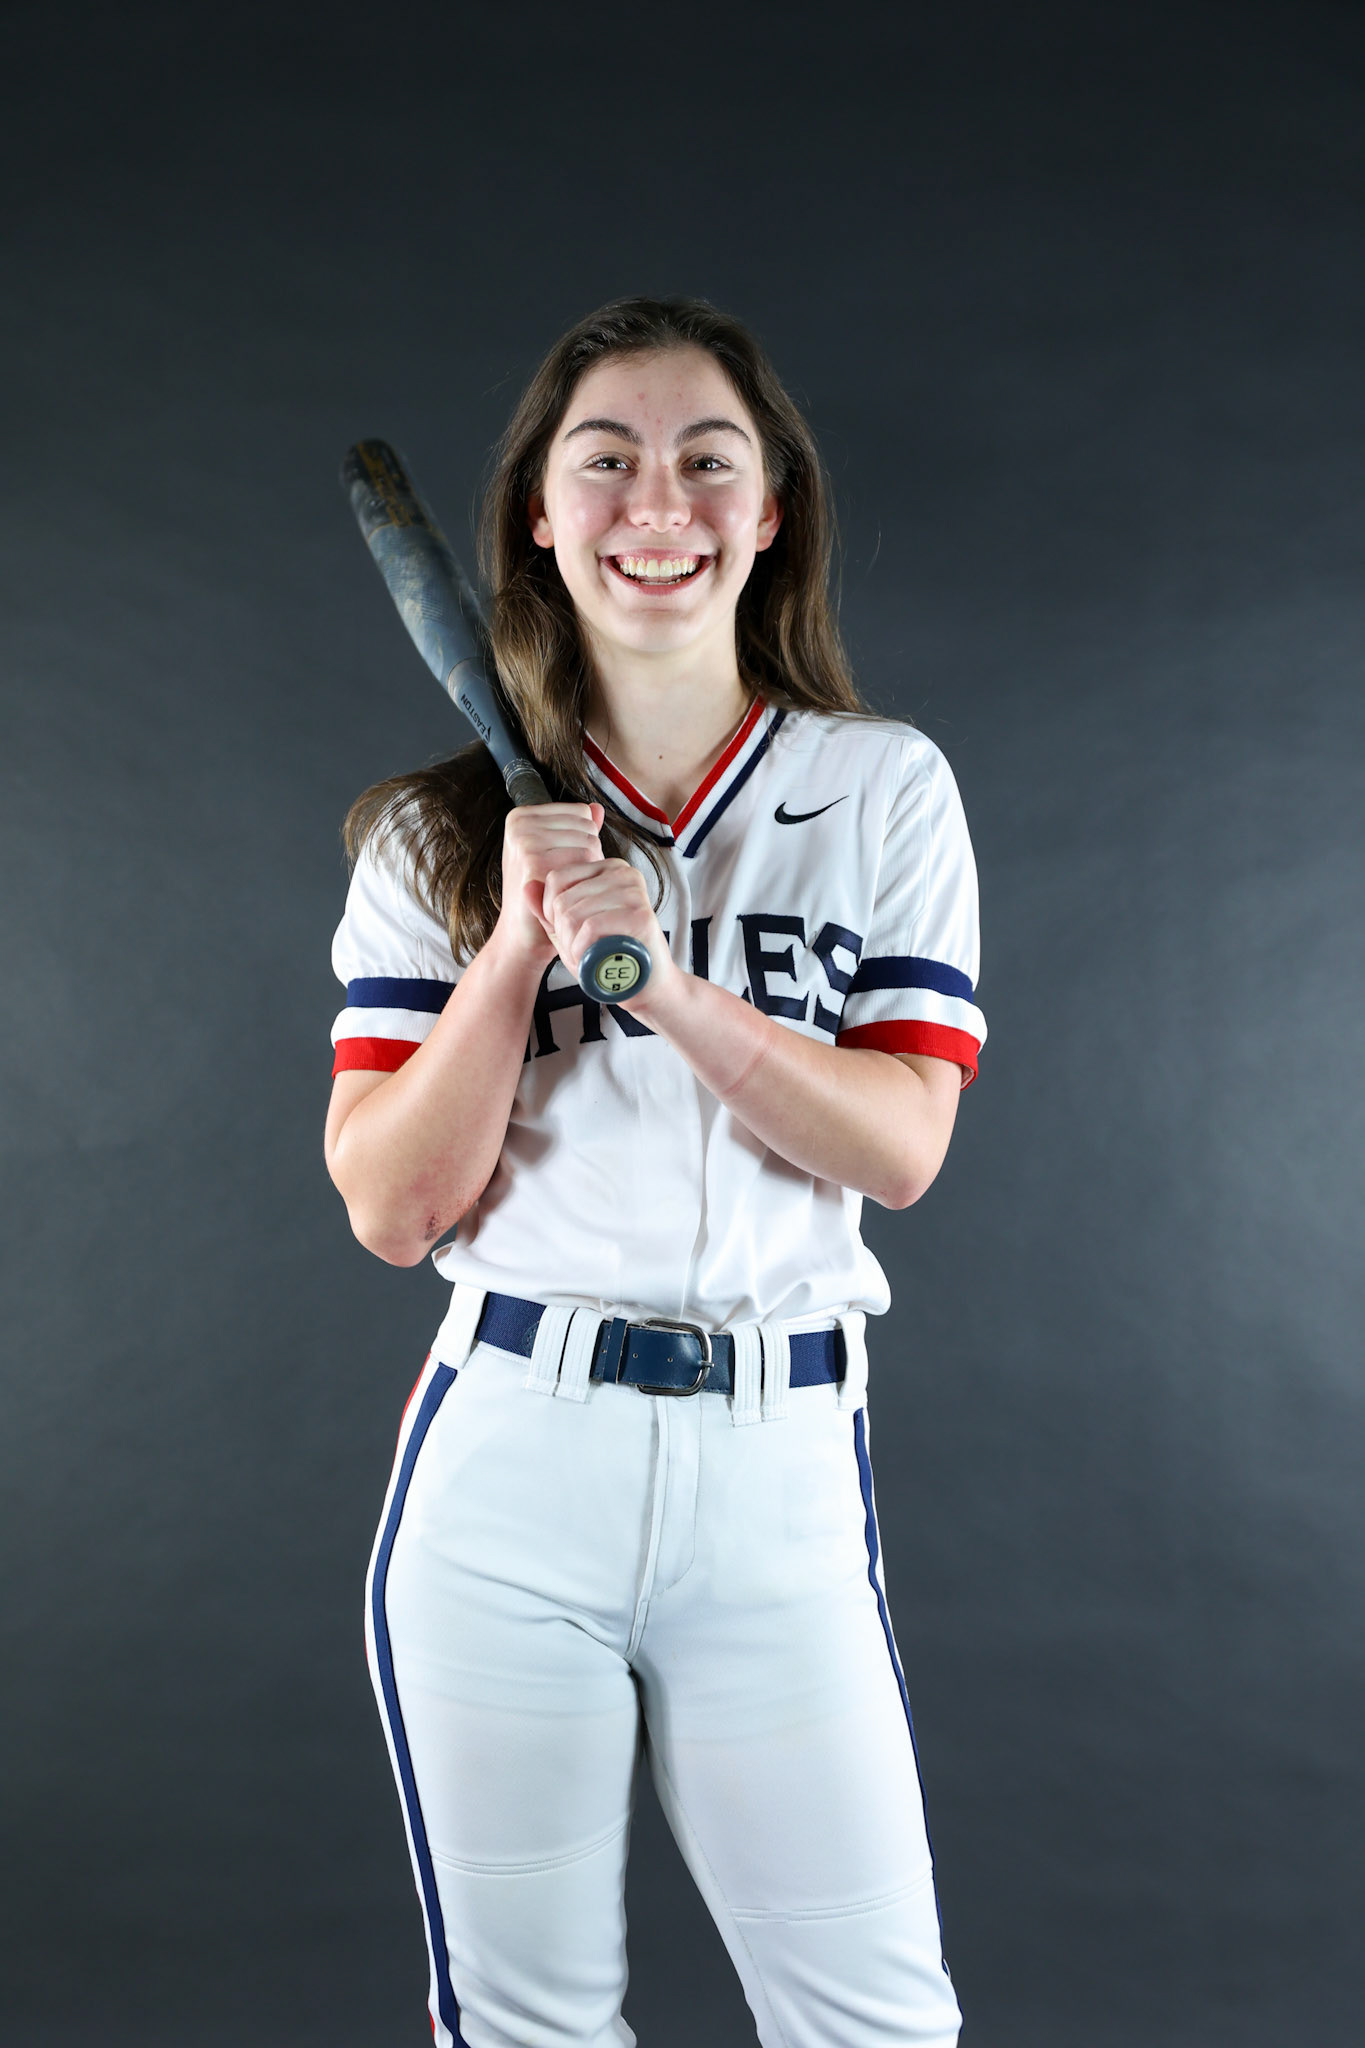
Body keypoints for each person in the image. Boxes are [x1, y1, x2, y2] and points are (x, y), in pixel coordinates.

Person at [324, 296, 985, 2048]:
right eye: (602, 461)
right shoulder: (432, 833)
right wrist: (512, 955)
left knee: (875, 2025)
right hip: (511, 1463)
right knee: (530, 2029)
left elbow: (901, 1149)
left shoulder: (879, 789)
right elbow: (391, 1209)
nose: (656, 502)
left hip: (776, 1470)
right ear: (539, 516)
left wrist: (661, 987)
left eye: (708, 460)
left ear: (770, 515)